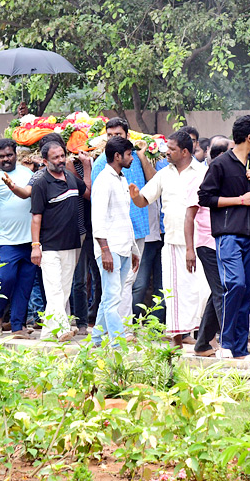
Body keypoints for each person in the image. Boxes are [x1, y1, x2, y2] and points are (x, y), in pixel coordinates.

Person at [197, 115, 250, 359]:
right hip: (227, 235)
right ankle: (225, 343)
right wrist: (239, 200)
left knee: (246, 291)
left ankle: (239, 348)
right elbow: (205, 198)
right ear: (249, 137)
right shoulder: (220, 164)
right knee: (234, 284)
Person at [130, 130, 204, 344]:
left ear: (184, 151)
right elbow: (144, 200)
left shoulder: (201, 172)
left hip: (199, 241)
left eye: (171, 149)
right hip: (172, 241)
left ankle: (203, 337)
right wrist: (135, 196)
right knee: (173, 292)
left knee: (199, 290)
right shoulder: (164, 173)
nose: (167, 153)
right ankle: (177, 338)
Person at [31, 140, 91, 341]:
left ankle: (49, 333)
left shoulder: (71, 178)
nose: (60, 160)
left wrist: (88, 168)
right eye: (55, 157)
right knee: (54, 289)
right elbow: (36, 217)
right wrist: (35, 246)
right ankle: (62, 328)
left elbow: (89, 193)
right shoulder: (41, 182)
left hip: (72, 244)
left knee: (64, 289)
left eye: (62, 155)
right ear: (45, 160)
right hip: (48, 246)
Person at [0, 138, 40, 337]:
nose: (6, 159)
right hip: (6, 241)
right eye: (2, 156)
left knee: (25, 284)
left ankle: (17, 326)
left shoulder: (28, 174)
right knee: (5, 279)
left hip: (30, 241)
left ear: (16, 154)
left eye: (9, 154)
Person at [91, 136, 138, 344]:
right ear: (117, 156)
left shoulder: (120, 178)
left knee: (110, 297)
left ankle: (97, 339)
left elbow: (124, 218)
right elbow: (98, 218)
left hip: (123, 246)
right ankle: (117, 344)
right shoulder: (103, 180)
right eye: (129, 155)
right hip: (110, 248)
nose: (132, 159)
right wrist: (105, 250)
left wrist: (134, 249)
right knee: (113, 299)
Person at [188, 138, 228, 356]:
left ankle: (202, 343)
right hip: (206, 243)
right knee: (222, 291)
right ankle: (228, 341)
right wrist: (188, 249)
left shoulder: (226, 176)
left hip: (224, 241)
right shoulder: (200, 178)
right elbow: (189, 216)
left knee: (219, 292)